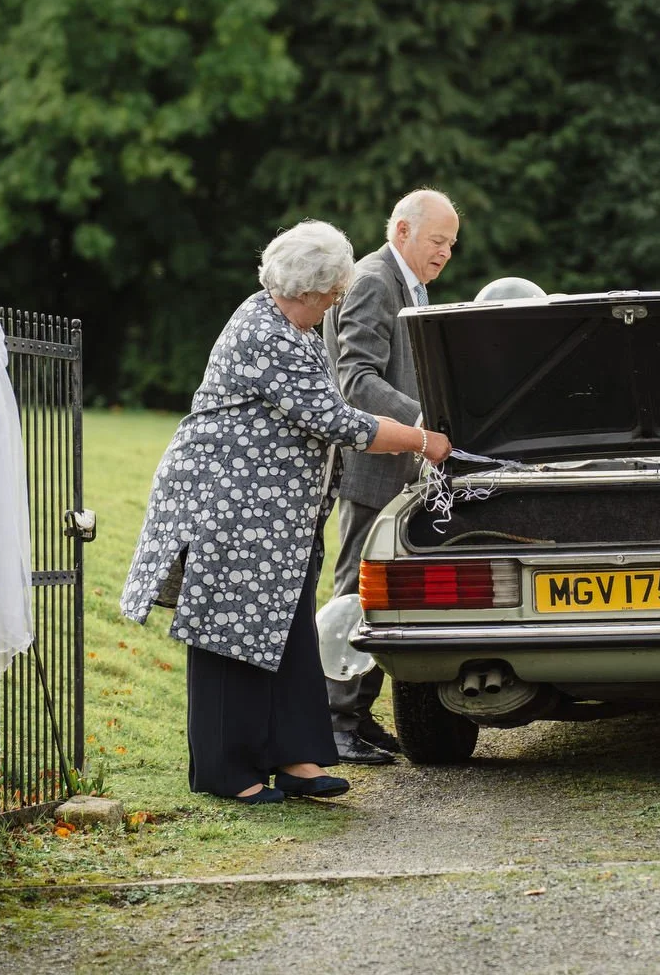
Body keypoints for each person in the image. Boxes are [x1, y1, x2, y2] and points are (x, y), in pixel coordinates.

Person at [120, 220, 451, 804]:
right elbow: (335, 420)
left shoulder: (290, 323)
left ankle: (298, 760)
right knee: (229, 636)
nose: (334, 304)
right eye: (329, 295)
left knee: (290, 631)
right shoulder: (264, 332)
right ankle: (229, 774)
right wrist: (420, 439)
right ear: (303, 290)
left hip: (273, 518)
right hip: (228, 507)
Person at [323, 189, 459, 764]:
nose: (446, 252)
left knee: (383, 592)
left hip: (401, 463)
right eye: (437, 241)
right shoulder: (376, 279)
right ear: (402, 230)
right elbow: (353, 379)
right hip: (372, 466)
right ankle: (334, 723)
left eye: (452, 244)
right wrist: (421, 420)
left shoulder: (409, 282)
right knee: (355, 591)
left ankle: (359, 715)